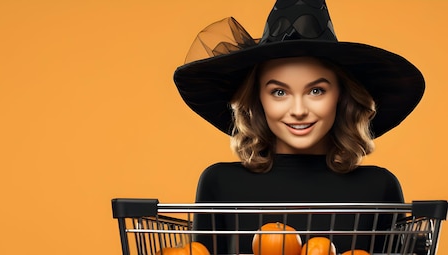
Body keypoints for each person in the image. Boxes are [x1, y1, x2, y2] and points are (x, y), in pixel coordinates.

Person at [172, 0, 425, 254]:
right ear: (257, 98)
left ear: (341, 95)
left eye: (316, 90)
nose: (298, 110)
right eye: (279, 92)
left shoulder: (379, 188)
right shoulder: (220, 184)